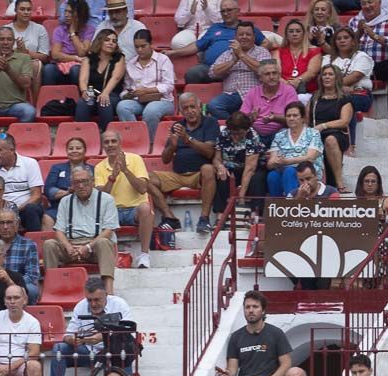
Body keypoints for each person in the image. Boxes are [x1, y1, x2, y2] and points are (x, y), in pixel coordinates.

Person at [148, 92, 218, 236]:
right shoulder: (177, 126)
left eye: (193, 106)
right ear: (181, 111)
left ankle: (204, 219)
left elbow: (210, 152)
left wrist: (188, 139)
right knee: (146, 178)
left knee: (208, 169)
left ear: (199, 107)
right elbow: (165, 159)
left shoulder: (210, 122)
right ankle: (170, 217)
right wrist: (172, 146)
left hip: (199, 175)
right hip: (178, 175)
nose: (190, 111)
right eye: (185, 108)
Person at [42, 168, 119, 294]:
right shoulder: (65, 201)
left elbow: (109, 230)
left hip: (95, 245)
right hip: (71, 244)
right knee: (49, 244)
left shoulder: (106, 199)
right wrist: (68, 247)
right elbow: (59, 230)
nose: (81, 186)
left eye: (85, 181)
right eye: (77, 182)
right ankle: (53, 287)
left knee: (104, 242)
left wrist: (87, 247)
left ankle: (109, 291)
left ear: (93, 182)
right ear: (72, 185)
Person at [95, 128, 154, 270]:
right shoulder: (99, 167)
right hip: (112, 211)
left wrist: (125, 170)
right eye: (106, 142)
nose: (110, 145)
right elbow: (101, 197)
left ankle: (144, 255)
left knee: (146, 208)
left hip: (134, 210)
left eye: (113, 141)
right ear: (102, 145)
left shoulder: (135, 159)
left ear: (120, 143)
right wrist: (113, 177)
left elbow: (143, 189)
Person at [348, 0, 388, 122]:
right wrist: (358, 33)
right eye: (364, 4)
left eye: (370, 2)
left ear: (379, 3)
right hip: (359, 67)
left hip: (380, 66)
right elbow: (346, 48)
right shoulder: (354, 22)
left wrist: (375, 36)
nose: (367, 6)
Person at [206, 19, 272, 120]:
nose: (244, 37)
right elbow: (212, 72)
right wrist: (233, 61)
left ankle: (240, 124)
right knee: (213, 105)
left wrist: (241, 55)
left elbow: (267, 72)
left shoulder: (262, 52)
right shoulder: (227, 53)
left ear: (254, 37)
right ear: (235, 37)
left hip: (254, 95)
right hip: (230, 95)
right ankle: (235, 125)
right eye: (241, 34)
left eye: (248, 34)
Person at [323, 26, 375, 144]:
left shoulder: (361, 56)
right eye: (338, 38)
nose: (342, 40)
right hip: (334, 95)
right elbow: (322, 79)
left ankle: (350, 145)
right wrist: (340, 88)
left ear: (353, 41)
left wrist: (335, 86)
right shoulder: (327, 59)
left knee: (346, 103)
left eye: (346, 38)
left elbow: (355, 77)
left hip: (359, 94)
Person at [0, 131, 44, 234]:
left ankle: (35, 243)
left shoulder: (30, 163)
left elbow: (36, 196)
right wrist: (4, 212)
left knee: (31, 209)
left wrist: (15, 210)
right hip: (1, 210)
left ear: (12, 150)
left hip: (25, 209)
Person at [211, 110, 266, 215]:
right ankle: (220, 214)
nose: (235, 137)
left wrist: (241, 196)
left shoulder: (252, 136)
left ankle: (255, 214)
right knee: (221, 175)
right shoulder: (223, 134)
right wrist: (220, 166)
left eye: (239, 133)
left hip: (251, 168)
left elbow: (250, 169)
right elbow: (216, 158)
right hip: (231, 168)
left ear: (245, 130)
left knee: (257, 179)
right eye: (233, 133)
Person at [266, 101, 324, 197]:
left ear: (302, 118)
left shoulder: (313, 133)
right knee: (272, 176)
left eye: (295, 115)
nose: (291, 118)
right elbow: (270, 163)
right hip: (283, 170)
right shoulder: (279, 136)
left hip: (307, 173)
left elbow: (310, 158)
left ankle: (292, 206)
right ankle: (277, 208)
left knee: (289, 171)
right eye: (288, 116)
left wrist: (287, 161)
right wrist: (276, 162)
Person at [308, 63, 352, 192]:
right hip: (316, 134)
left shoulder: (344, 99)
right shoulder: (315, 98)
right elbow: (306, 120)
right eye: (324, 74)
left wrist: (323, 126)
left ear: (336, 78)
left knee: (330, 139)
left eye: (330, 74)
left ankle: (339, 184)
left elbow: (344, 121)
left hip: (337, 133)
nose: (327, 77)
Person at [240, 59, 298, 149]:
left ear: (279, 75)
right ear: (260, 77)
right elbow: (242, 118)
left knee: (285, 133)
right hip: (255, 133)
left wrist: (275, 118)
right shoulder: (253, 92)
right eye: (267, 74)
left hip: (280, 132)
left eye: (274, 73)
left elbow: (295, 118)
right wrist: (251, 118)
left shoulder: (289, 90)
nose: (271, 77)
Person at [75, 28, 125, 131]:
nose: (111, 43)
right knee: (83, 102)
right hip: (93, 92)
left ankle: (106, 134)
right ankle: (82, 134)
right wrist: (84, 91)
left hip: (111, 93)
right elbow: (83, 79)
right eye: (107, 40)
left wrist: (105, 93)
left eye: (114, 41)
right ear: (100, 41)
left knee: (104, 102)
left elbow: (116, 78)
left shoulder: (119, 58)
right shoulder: (89, 58)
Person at [44, 0, 94, 87]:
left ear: (79, 14)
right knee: (48, 69)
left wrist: (72, 33)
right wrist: (75, 58)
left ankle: (79, 99)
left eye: (70, 12)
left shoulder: (89, 30)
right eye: (65, 11)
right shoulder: (59, 30)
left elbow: (82, 53)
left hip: (79, 68)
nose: (66, 15)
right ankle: (48, 98)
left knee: (75, 70)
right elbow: (55, 54)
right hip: (60, 67)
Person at [9, 0, 50, 99]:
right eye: (22, 9)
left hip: (33, 63)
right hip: (11, 62)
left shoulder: (40, 29)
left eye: (29, 9)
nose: (26, 12)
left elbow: (44, 57)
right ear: (15, 10)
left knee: (36, 64)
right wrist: (17, 52)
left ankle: (34, 104)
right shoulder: (6, 29)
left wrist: (25, 52)